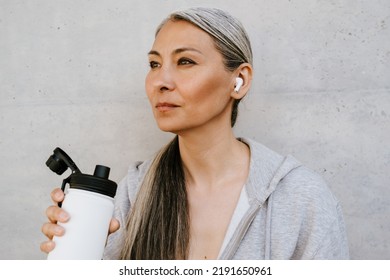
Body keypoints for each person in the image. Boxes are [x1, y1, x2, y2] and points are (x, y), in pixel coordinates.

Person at [40, 7, 349, 260]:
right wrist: (78, 254)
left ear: (238, 80)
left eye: (185, 61)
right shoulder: (135, 191)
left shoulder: (301, 199)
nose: (161, 80)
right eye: (154, 63)